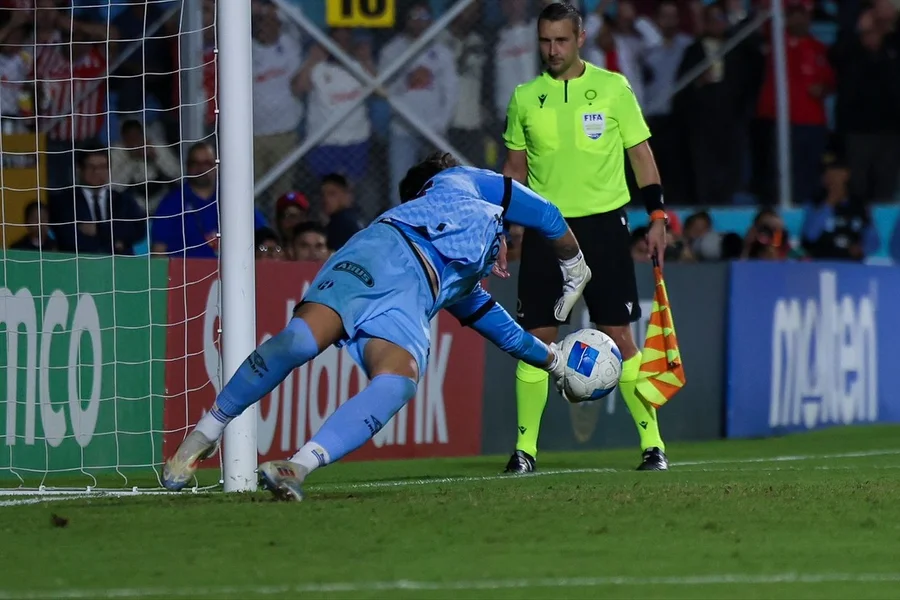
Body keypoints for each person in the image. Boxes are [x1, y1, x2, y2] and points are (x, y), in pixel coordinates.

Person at [162, 153, 592, 500]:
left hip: (414, 293)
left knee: (399, 380)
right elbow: (547, 213)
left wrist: (556, 364)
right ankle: (205, 433)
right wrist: (574, 266)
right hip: (384, 250)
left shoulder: (461, 284)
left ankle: (297, 466)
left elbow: (507, 333)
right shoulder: (455, 180)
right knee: (298, 342)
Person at [502, 2, 669, 473]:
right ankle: (525, 452)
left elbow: (641, 155)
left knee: (620, 335)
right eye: (544, 41)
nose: (551, 50)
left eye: (560, 40)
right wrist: (502, 228)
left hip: (603, 228)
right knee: (536, 339)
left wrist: (657, 214)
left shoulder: (613, 88)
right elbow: (513, 172)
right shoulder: (523, 97)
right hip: (545, 229)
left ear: (579, 39)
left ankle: (653, 446)